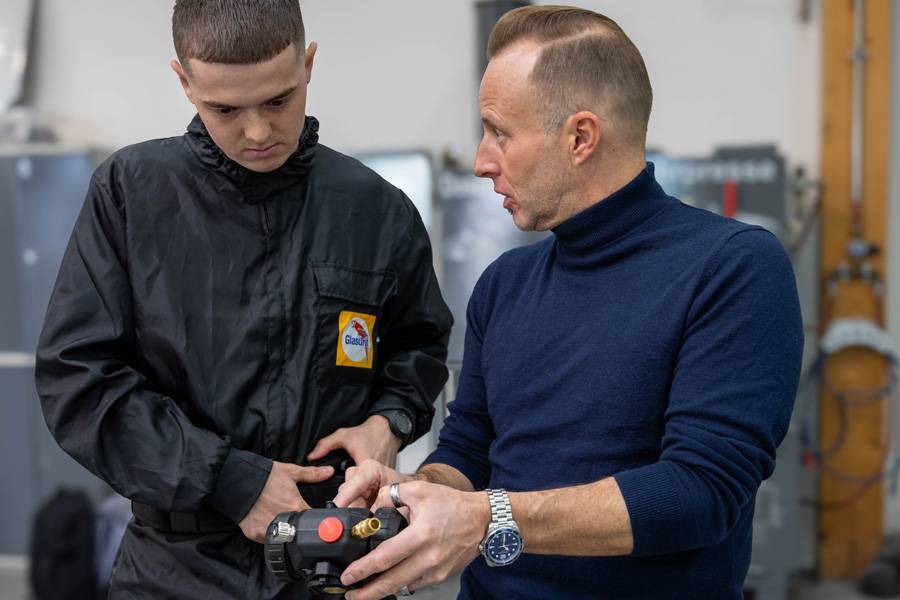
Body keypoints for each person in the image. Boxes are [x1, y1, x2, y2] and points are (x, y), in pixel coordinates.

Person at [333, 6, 803, 600]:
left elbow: (700, 492)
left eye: (499, 132)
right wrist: (412, 495)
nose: (481, 161)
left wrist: (487, 518)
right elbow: (470, 448)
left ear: (580, 137)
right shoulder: (505, 283)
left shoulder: (732, 267)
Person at [34, 1, 452, 598]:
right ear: (184, 81)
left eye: (278, 101)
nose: (257, 132)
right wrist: (231, 480)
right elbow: (78, 382)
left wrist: (390, 420)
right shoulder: (131, 195)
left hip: (334, 564)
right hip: (174, 569)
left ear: (308, 65)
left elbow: (418, 345)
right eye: (225, 109)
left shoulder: (376, 210)